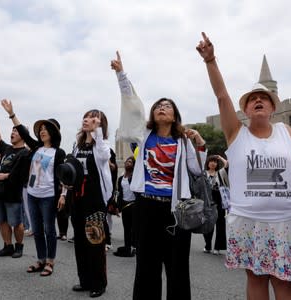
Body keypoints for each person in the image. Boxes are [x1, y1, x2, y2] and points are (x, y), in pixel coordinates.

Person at [197, 32, 291, 300]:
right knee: (256, 279)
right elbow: (222, 96)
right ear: (246, 109)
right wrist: (211, 61)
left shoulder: (285, 131)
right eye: (252, 99)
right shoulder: (236, 133)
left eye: (264, 98)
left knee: (286, 284)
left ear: (272, 107)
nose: (258, 100)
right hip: (249, 221)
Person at [111, 51, 207, 299]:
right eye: (159, 106)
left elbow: (197, 171)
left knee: (177, 268)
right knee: (146, 267)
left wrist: (200, 146)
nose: (163, 108)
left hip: (176, 209)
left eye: (168, 107)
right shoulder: (144, 136)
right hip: (146, 206)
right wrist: (121, 74)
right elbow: (130, 103)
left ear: (175, 116)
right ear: (153, 114)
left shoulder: (183, 141)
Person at [1, 99, 66, 276]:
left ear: (53, 132)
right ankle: (40, 259)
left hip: (48, 195)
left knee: (49, 230)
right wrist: (11, 114)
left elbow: (64, 176)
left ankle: (50, 261)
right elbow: (23, 131)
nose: (42, 131)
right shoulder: (36, 147)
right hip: (32, 194)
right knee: (37, 230)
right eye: (41, 129)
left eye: (46, 129)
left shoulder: (58, 153)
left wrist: (63, 195)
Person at [67, 109, 113, 298]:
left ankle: (99, 282)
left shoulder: (103, 145)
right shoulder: (77, 146)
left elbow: (104, 156)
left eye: (94, 118)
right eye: (86, 117)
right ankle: (84, 279)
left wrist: (98, 132)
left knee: (95, 240)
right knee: (79, 240)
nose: (88, 120)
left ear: (101, 124)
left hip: (94, 199)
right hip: (77, 197)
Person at [0, 109, 30, 259]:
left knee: (16, 222)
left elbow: (22, 175)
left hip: (13, 192)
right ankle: (7, 246)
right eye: (12, 130)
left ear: (23, 135)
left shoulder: (25, 153)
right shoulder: (7, 148)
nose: (13, 133)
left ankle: (19, 247)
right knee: (2, 221)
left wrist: (4, 176)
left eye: (16, 131)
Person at [203, 154, 229, 255]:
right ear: (208, 163)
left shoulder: (220, 173)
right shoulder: (203, 173)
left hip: (219, 199)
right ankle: (208, 245)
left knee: (220, 224)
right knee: (207, 223)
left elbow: (227, 164)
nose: (213, 163)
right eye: (211, 161)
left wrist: (221, 158)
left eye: (215, 161)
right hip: (207, 200)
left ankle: (217, 247)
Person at [113, 156, 137, 258]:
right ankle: (127, 247)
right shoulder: (120, 179)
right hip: (125, 206)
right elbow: (119, 194)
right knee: (126, 228)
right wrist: (117, 207)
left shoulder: (135, 177)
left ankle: (134, 247)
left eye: (131, 162)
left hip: (134, 205)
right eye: (127, 161)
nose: (128, 163)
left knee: (134, 228)